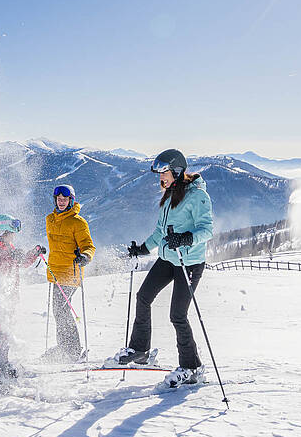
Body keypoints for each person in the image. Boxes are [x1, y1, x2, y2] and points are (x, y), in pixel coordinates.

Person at [111, 149, 213, 388]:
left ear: (176, 171)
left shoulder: (198, 196)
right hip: (169, 258)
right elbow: (160, 232)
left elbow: (207, 230)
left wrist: (185, 238)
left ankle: (192, 367)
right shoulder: (170, 194)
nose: (160, 177)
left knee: (177, 315)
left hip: (189, 261)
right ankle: (140, 350)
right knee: (143, 296)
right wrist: (143, 249)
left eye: (164, 172)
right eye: (158, 173)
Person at [0, 214, 45, 382]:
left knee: (8, 331)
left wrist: (34, 252)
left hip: (8, 297)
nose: (14, 237)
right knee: (3, 333)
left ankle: (0, 364)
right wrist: (11, 255)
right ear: (3, 232)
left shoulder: (6, 246)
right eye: (11, 233)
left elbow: (21, 262)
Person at [42, 184, 96, 363]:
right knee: (59, 311)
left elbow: (88, 245)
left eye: (65, 200)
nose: (61, 202)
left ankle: (71, 350)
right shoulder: (50, 219)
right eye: (59, 199)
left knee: (62, 310)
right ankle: (64, 347)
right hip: (55, 272)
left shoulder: (78, 222)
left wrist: (85, 257)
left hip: (70, 272)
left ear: (71, 200)